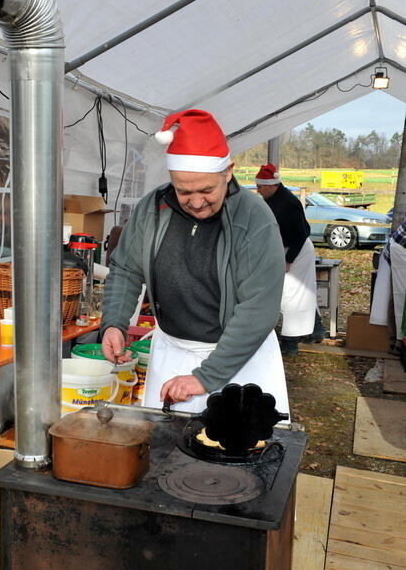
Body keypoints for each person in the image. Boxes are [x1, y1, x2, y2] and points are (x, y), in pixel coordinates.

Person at [101, 109, 289, 415]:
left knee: (233, 451)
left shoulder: (254, 219)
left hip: (236, 359)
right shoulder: (153, 207)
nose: (197, 202)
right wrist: (115, 324)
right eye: (184, 191)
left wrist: (206, 377)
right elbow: (125, 270)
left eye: (206, 190)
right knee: (164, 452)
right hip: (171, 352)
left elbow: (258, 308)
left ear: (228, 172)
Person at [255, 164, 322, 356]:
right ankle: (316, 330)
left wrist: (288, 259)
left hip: (297, 249)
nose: (258, 190)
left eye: (260, 186)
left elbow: (299, 234)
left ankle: (290, 342)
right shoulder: (272, 200)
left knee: (292, 294)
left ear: (270, 185)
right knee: (304, 292)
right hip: (287, 248)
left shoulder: (288, 202)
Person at [370, 216, 406, 351]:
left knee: (399, 297)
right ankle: (398, 341)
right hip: (400, 250)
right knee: (400, 297)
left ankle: (398, 340)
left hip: (399, 248)